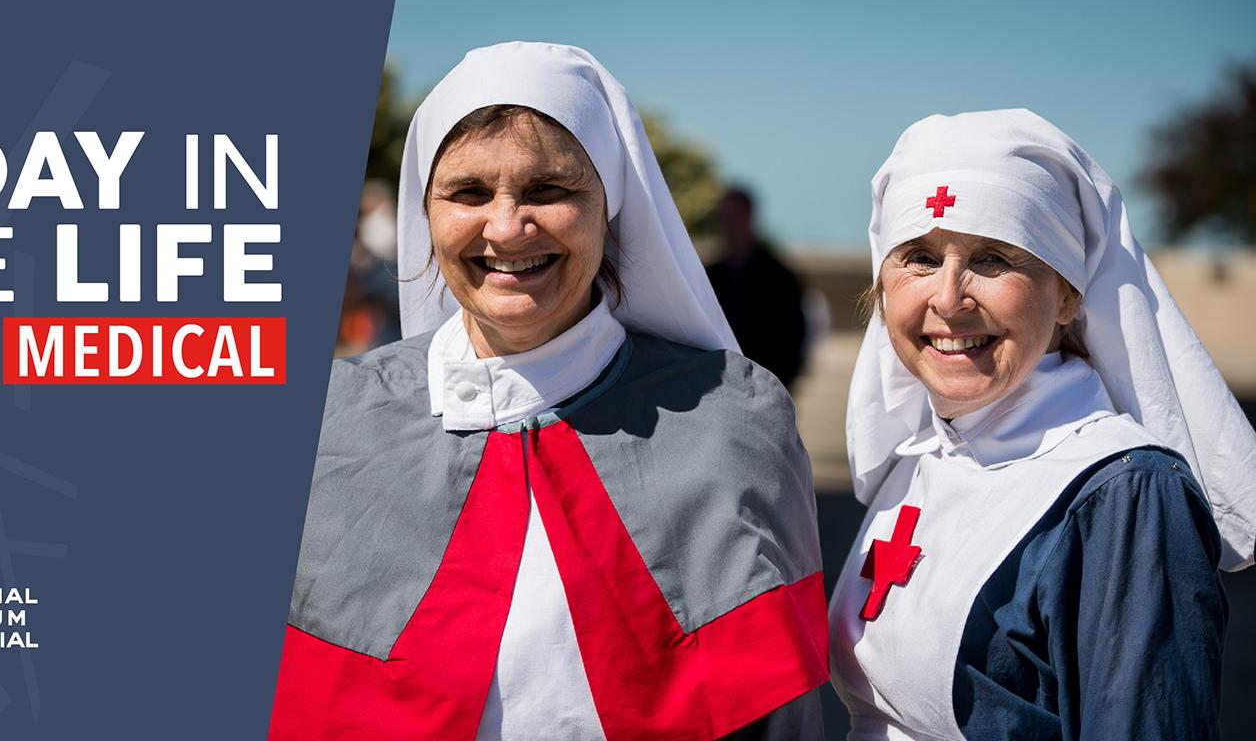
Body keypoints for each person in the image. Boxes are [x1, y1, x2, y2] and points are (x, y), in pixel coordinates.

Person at [271, 42, 828, 740]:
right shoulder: (332, 418)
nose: (506, 227)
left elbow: (780, 709)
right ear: (428, 213)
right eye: (468, 193)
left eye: (548, 190)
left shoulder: (732, 418)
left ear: (611, 209)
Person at [831, 109, 1256, 740]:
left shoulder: (1124, 495)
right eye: (920, 257)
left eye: (993, 259)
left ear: (1067, 295)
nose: (948, 299)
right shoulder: (920, 455)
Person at [705, 188, 809, 390]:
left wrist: (782, 382)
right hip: (719, 386)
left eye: (734, 215)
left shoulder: (779, 277)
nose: (728, 223)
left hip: (766, 384)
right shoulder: (712, 275)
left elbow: (794, 334)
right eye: (723, 216)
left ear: (749, 216)